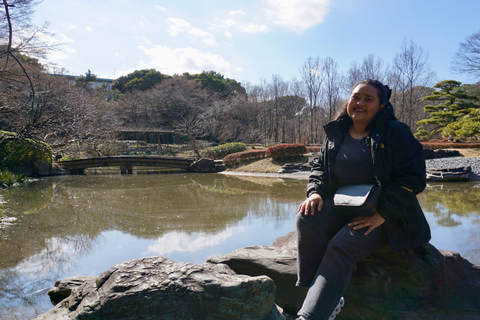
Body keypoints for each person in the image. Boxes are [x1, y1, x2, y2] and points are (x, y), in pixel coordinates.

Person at [295, 79, 431, 320]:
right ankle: (319, 294)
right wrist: (315, 191)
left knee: (341, 246)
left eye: (369, 99)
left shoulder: (395, 132)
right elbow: (319, 166)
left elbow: (413, 178)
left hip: (383, 214)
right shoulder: (337, 131)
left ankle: (312, 315)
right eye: (356, 97)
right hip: (343, 205)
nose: (360, 103)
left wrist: (382, 216)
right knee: (306, 218)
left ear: (381, 106)